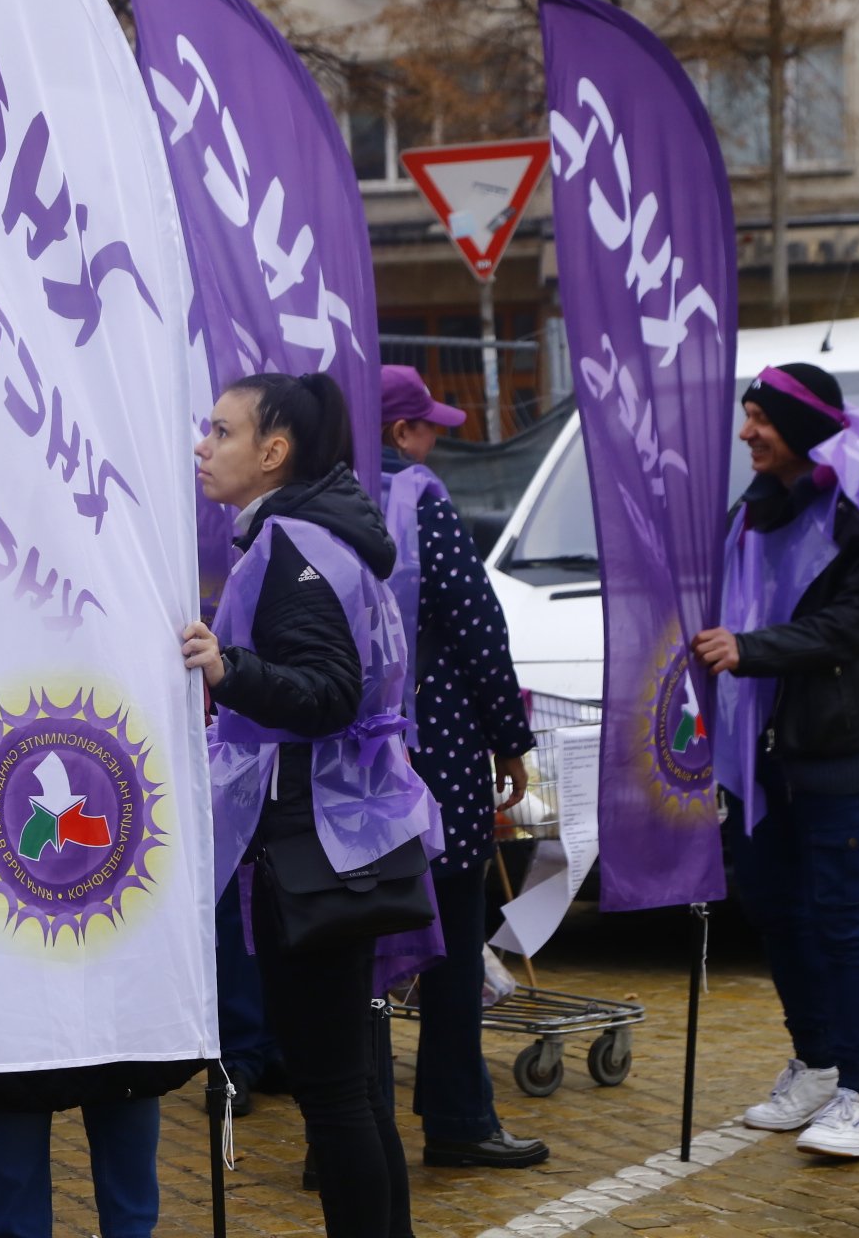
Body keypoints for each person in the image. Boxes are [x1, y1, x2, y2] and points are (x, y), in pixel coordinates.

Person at [183, 371, 427, 1238]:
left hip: (315, 844)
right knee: (352, 1088)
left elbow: (329, 692)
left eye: (221, 430)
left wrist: (226, 668)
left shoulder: (294, 546)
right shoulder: (323, 533)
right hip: (346, 833)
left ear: (274, 452)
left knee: (335, 1096)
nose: (203, 446)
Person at [695, 362, 859, 1160]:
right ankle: (816, 1066)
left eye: (761, 418)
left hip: (841, 749)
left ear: (804, 427)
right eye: (746, 415)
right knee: (776, 912)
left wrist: (749, 650)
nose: (747, 432)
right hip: (762, 756)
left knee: (840, 920)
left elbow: (851, 626)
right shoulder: (754, 511)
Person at [376, 365, 546, 1169]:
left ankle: (352, 1139)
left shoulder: (307, 509)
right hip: (434, 759)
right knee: (448, 943)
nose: (436, 440)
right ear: (402, 432)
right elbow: (478, 626)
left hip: (341, 771)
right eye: (429, 426)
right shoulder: (422, 504)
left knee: (354, 951)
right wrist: (510, 737)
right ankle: (457, 1118)